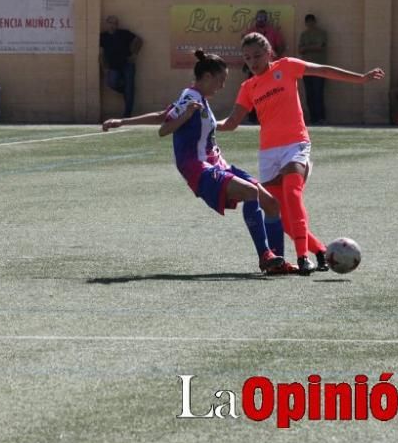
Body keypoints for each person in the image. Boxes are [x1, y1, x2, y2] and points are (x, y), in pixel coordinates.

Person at [101, 51, 291, 275]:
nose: (221, 86)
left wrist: (122, 121)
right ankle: (264, 255)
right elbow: (165, 128)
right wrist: (125, 121)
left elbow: (163, 114)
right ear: (208, 77)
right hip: (197, 167)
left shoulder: (198, 99)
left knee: (271, 203)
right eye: (221, 80)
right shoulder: (190, 97)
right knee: (250, 192)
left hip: (218, 164)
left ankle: (276, 263)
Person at [218, 32, 385, 274]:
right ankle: (319, 251)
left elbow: (324, 70)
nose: (252, 62)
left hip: (295, 143)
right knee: (278, 212)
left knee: (292, 193)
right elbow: (232, 122)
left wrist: (360, 79)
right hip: (268, 154)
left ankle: (302, 257)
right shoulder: (248, 87)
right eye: (247, 58)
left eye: (257, 56)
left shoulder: (286, 67)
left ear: (269, 53)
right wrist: (206, 122)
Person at [99, 15, 142, 118]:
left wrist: (134, 54)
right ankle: (126, 91)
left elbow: (138, 40)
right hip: (113, 66)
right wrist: (104, 67)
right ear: (107, 23)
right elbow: (101, 53)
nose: (113, 25)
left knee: (129, 87)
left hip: (127, 64)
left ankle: (127, 114)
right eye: (110, 23)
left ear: (117, 24)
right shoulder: (103, 36)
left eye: (115, 23)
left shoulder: (124, 33)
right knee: (111, 83)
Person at [298, 14, 328, 124]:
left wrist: (307, 48)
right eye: (308, 22)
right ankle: (313, 118)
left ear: (314, 22)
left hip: (319, 67)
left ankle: (321, 118)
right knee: (309, 94)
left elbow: (320, 47)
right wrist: (310, 47)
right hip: (306, 68)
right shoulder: (304, 35)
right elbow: (300, 49)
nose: (309, 24)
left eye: (311, 22)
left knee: (318, 93)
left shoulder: (321, 33)